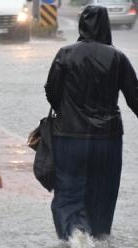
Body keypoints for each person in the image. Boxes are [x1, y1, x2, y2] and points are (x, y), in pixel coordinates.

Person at [44, 5, 138, 247]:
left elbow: (52, 92)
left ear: (81, 25)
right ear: (106, 25)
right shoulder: (118, 57)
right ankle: (97, 235)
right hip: (108, 140)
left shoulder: (65, 54)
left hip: (70, 138)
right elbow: (135, 98)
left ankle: (77, 234)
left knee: (69, 191)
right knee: (102, 193)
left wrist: (66, 110)